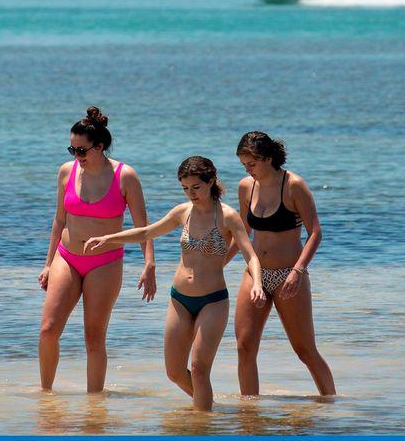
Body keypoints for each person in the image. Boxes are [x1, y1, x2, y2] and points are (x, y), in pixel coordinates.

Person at [84, 156, 266, 411]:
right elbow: (147, 232)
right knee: (174, 372)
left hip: (213, 301)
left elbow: (251, 254)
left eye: (196, 187)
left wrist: (257, 282)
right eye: (185, 188)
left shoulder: (228, 216)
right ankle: (209, 408)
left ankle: (201, 424)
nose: (190, 193)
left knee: (200, 370)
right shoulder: (182, 212)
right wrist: (109, 238)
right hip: (179, 299)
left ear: (211, 181)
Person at [38, 106, 156, 393]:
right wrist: (48, 262)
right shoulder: (66, 171)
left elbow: (143, 226)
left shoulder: (125, 176)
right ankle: (46, 398)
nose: (76, 157)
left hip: (104, 262)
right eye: (72, 149)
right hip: (67, 258)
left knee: (93, 337)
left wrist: (149, 264)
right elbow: (59, 219)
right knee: (48, 330)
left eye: (82, 151)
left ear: (100, 147)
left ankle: (94, 406)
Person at [227, 131, 336, 397]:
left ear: (267, 158)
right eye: (244, 165)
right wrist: (216, 264)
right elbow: (242, 233)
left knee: (304, 350)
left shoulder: (293, 184)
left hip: (289, 274)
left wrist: (298, 271)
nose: (248, 169)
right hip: (255, 275)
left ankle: (331, 404)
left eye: (251, 164)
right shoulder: (246, 187)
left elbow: (316, 232)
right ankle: (250, 411)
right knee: (244, 346)